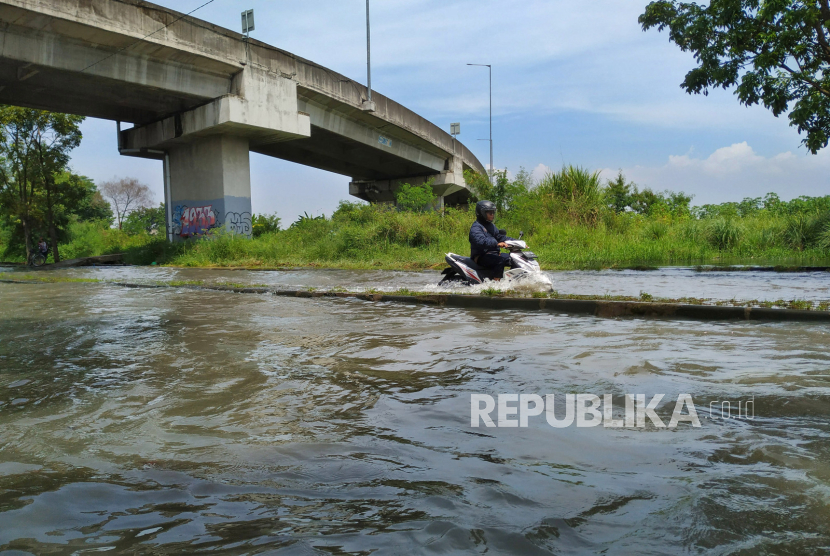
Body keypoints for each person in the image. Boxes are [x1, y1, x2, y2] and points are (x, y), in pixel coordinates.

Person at [469, 200, 515, 274]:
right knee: (500, 260)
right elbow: (480, 241)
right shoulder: (476, 227)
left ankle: (515, 281)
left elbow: (501, 237)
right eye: (489, 212)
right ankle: (496, 284)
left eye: (493, 212)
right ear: (482, 213)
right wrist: (497, 243)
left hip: (493, 254)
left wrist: (517, 242)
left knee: (514, 258)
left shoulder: (491, 226)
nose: (492, 214)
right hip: (481, 256)